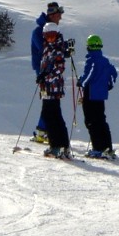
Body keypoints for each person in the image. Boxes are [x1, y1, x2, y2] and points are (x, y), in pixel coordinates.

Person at [30, 2, 64, 143]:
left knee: (51, 100)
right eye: (59, 15)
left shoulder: (51, 30)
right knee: (50, 100)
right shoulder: (39, 31)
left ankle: (45, 130)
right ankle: (44, 131)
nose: (60, 18)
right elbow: (46, 50)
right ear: (52, 15)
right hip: (44, 70)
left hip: (50, 69)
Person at [79, 34, 118, 158]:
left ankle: (97, 148)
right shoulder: (105, 61)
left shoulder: (92, 60)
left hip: (91, 94)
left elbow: (89, 75)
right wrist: (108, 85)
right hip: (101, 95)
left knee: (91, 121)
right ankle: (108, 147)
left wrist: (81, 82)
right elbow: (113, 74)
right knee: (101, 120)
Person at [38, 20, 72, 159]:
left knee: (50, 116)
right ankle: (63, 145)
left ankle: (55, 146)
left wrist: (46, 77)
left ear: (57, 35)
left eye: (52, 36)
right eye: (47, 36)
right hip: (48, 87)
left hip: (53, 87)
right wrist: (42, 76)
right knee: (55, 115)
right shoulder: (49, 47)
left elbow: (59, 68)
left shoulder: (56, 48)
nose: (50, 38)